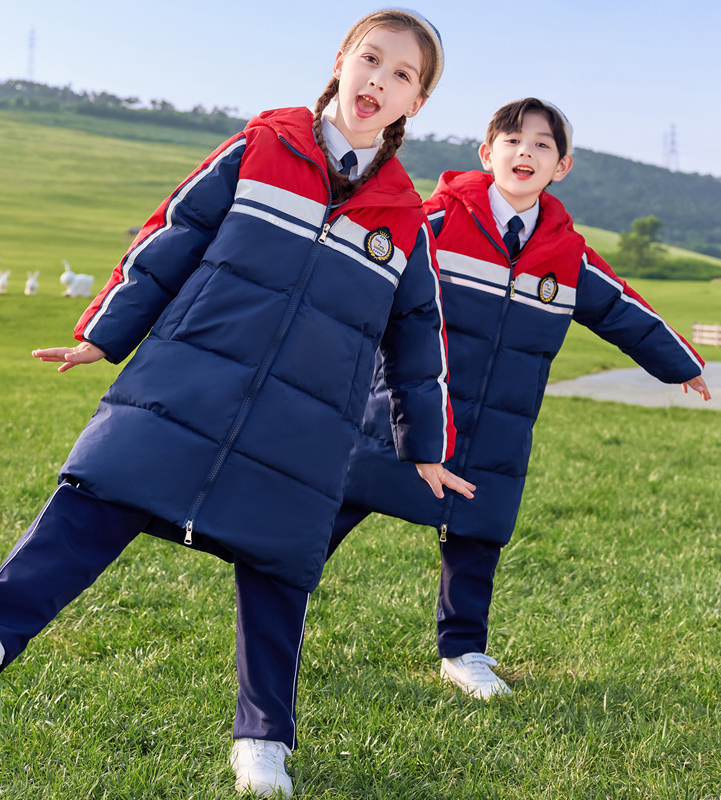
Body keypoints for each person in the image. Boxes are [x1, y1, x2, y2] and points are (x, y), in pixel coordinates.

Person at [0, 10, 475, 798]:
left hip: (303, 426)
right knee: (92, 501)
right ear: (340, 62)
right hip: (185, 383)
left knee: (281, 572)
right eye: (371, 60)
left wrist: (424, 446)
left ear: (414, 105)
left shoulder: (402, 222)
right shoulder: (261, 149)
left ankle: (263, 742)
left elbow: (420, 343)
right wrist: (103, 334)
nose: (378, 81)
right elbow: (171, 238)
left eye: (402, 75)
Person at [234, 97, 712, 720]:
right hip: (401, 414)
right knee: (326, 514)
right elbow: (355, 263)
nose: (526, 153)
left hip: (497, 431)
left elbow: (622, 309)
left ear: (560, 166)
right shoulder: (436, 221)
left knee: (477, 536)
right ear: (487, 154)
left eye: (542, 146)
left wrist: (683, 362)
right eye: (512, 141)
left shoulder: (565, 254)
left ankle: (463, 650)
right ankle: (273, 628)